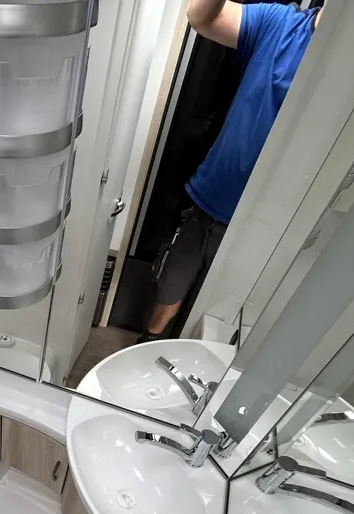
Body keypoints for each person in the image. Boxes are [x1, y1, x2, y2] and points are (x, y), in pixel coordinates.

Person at [138, 0, 322, 343]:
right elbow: (200, 17)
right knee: (170, 286)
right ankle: (148, 343)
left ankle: (192, 359)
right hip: (209, 200)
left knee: (218, 314)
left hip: (265, 226)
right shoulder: (281, 23)